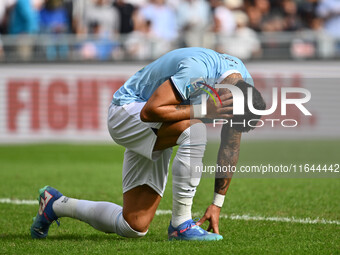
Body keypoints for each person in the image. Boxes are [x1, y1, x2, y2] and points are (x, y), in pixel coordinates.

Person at [30, 47, 266, 241]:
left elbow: (231, 146)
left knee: (134, 225)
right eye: (228, 119)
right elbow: (149, 111)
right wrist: (203, 109)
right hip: (127, 112)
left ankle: (55, 204)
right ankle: (181, 225)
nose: (225, 124)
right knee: (196, 130)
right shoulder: (198, 70)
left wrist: (217, 204)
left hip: (161, 125)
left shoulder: (243, 84)